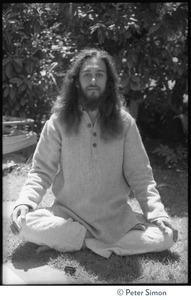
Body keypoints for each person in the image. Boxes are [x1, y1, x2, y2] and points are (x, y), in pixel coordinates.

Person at [10, 48, 178, 258]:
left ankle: (81, 241)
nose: (93, 80)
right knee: (24, 223)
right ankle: (99, 243)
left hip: (114, 218)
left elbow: (141, 176)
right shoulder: (58, 122)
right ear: (77, 81)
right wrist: (25, 202)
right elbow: (41, 171)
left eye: (99, 74)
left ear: (108, 82)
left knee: (166, 236)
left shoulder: (125, 123)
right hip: (68, 215)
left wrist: (157, 213)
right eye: (87, 74)